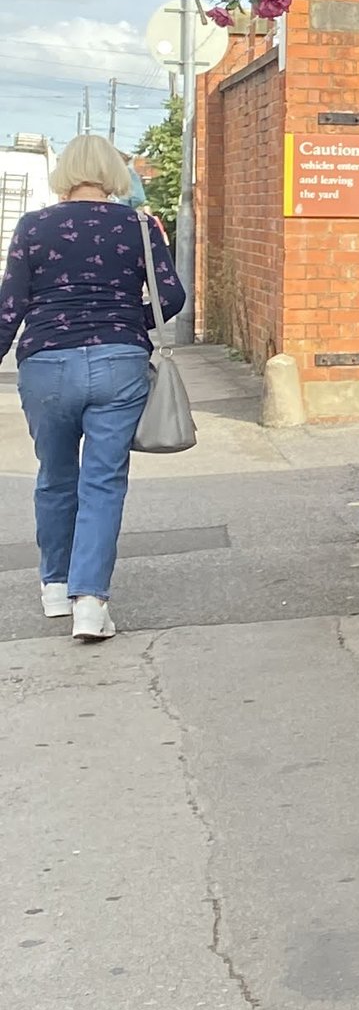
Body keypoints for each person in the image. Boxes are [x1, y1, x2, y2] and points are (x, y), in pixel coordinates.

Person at [0, 135, 184, 642]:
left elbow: (10, 307)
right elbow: (172, 295)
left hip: (46, 366)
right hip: (119, 363)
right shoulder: (139, 227)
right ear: (112, 174)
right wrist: (130, 320)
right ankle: (90, 602)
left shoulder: (33, 226)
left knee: (55, 477)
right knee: (103, 481)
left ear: (64, 174)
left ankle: (55, 587)